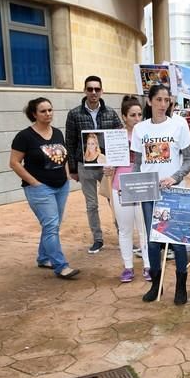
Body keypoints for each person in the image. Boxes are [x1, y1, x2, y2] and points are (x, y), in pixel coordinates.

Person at [131, 84, 190, 305]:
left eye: (166, 100)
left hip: (175, 191)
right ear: (149, 101)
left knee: (178, 242)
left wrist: (175, 178)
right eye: (158, 100)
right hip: (150, 192)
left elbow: (189, 159)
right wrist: (131, 186)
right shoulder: (140, 129)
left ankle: (181, 287)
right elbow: (137, 165)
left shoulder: (179, 125)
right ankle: (155, 285)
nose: (163, 105)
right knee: (153, 240)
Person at [10, 98, 79, 279]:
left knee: (52, 225)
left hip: (60, 186)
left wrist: (66, 175)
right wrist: (34, 182)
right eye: (43, 111)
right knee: (50, 225)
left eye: (50, 110)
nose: (48, 113)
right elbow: (14, 163)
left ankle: (43, 258)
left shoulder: (57, 133)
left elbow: (62, 157)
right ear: (34, 114)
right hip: (40, 189)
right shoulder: (24, 136)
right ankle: (61, 266)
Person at [65, 76, 122, 254]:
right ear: (85, 91)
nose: (93, 92)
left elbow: (119, 136)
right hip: (84, 166)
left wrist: (118, 163)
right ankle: (97, 239)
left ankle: (123, 235)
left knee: (115, 202)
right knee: (91, 205)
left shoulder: (111, 113)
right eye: (90, 89)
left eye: (97, 89)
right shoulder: (74, 114)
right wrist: (73, 168)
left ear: (102, 91)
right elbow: (70, 142)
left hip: (107, 167)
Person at [104, 96, 151, 283]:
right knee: (124, 229)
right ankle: (128, 267)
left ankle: (148, 265)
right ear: (124, 116)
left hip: (143, 184)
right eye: (132, 115)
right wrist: (107, 167)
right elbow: (109, 162)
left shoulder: (149, 133)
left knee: (144, 229)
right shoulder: (116, 135)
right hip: (120, 186)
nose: (137, 118)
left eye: (139, 114)